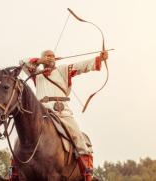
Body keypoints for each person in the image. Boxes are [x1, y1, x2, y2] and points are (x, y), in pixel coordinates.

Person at [19, 49, 108, 180]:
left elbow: (82, 66)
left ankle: (87, 173)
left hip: (61, 112)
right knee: (22, 138)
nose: (50, 58)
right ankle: (13, 173)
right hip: (41, 113)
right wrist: (39, 61)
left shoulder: (63, 70)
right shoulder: (36, 73)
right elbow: (22, 62)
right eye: (47, 56)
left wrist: (99, 59)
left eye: (52, 56)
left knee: (78, 138)